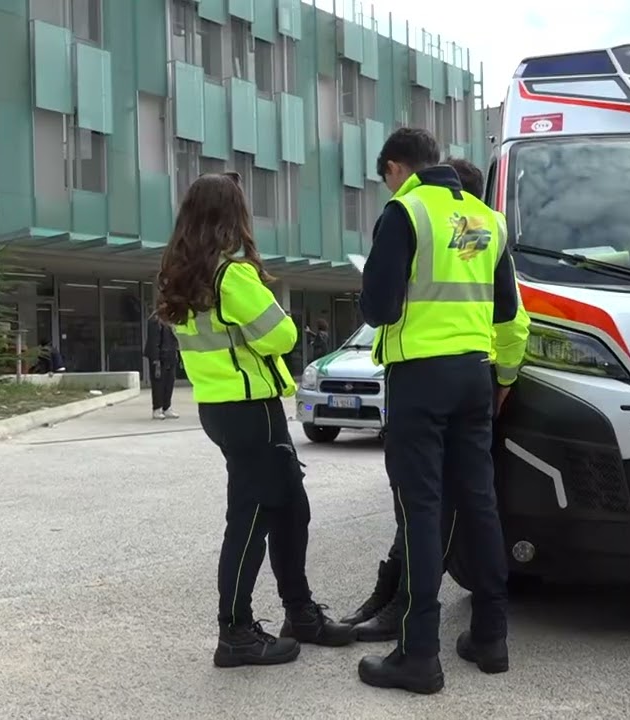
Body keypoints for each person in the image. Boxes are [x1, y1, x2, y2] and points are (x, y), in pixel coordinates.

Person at [155, 172, 354, 670]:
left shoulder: (182, 276)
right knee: (251, 519)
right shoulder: (231, 275)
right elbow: (282, 335)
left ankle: (299, 613)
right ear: (233, 217)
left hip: (220, 408)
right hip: (251, 410)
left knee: (290, 508)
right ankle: (236, 632)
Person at [355, 129, 528, 694]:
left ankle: (419, 654)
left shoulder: (406, 212)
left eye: (386, 176)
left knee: (421, 510)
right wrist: (501, 378)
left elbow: (379, 309)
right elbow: (507, 313)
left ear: (397, 168)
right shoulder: (487, 220)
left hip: (420, 378)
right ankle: (491, 637)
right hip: (476, 376)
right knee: (480, 504)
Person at [144, 313, 180, 419]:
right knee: (158, 384)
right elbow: (153, 341)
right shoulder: (155, 320)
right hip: (160, 357)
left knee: (169, 382)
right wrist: (156, 359)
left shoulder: (171, 320)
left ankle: (166, 407)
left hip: (170, 355)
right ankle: (157, 408)